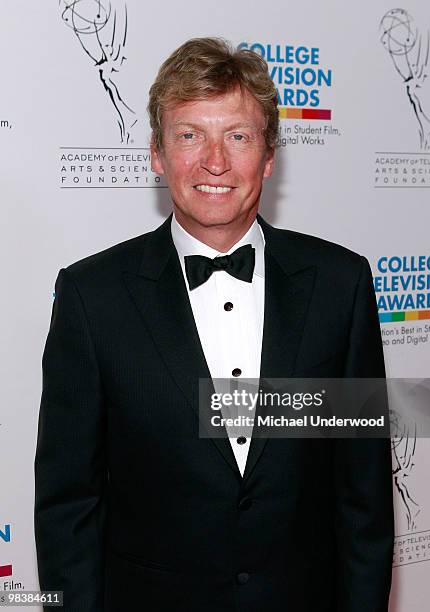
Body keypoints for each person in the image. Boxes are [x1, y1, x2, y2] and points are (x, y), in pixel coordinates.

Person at [35, 37, 394, 612]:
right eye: (189, 135)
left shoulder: (340, 285)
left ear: (270, 156)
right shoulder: (90, 296)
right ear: (156, 153)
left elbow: (364, 499)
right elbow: (68, 509)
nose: (215, 161)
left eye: (238, 136)